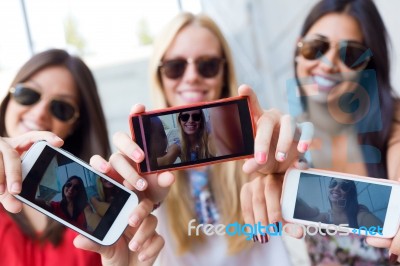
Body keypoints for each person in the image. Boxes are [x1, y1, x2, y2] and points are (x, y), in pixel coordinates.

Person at [93, 12, 313, 266]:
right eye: (175, 67)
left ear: (224, 73)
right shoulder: (143, 169)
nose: (191, 77)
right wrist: (127, 203)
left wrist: (294, 169)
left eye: (207, 65)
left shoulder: (261, 149)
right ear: (160, 77)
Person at [253, 0, 400, 264]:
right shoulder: (289, 142)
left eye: (351, 55)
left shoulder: (393, 120)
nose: (328, 63)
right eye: (315, 48)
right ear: (298, 49)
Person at [0, 49, 164, 265]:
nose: (40, 112)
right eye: (27, 94)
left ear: (75, 127)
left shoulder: (96, 234)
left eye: (62, 108)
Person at [295, 178, 383, 228]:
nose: (336, 188)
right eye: (333, 184)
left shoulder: (359, 214)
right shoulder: (326, 217)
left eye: (344, 186)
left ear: (350, 194)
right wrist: (313, 211)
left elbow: (379, 229)